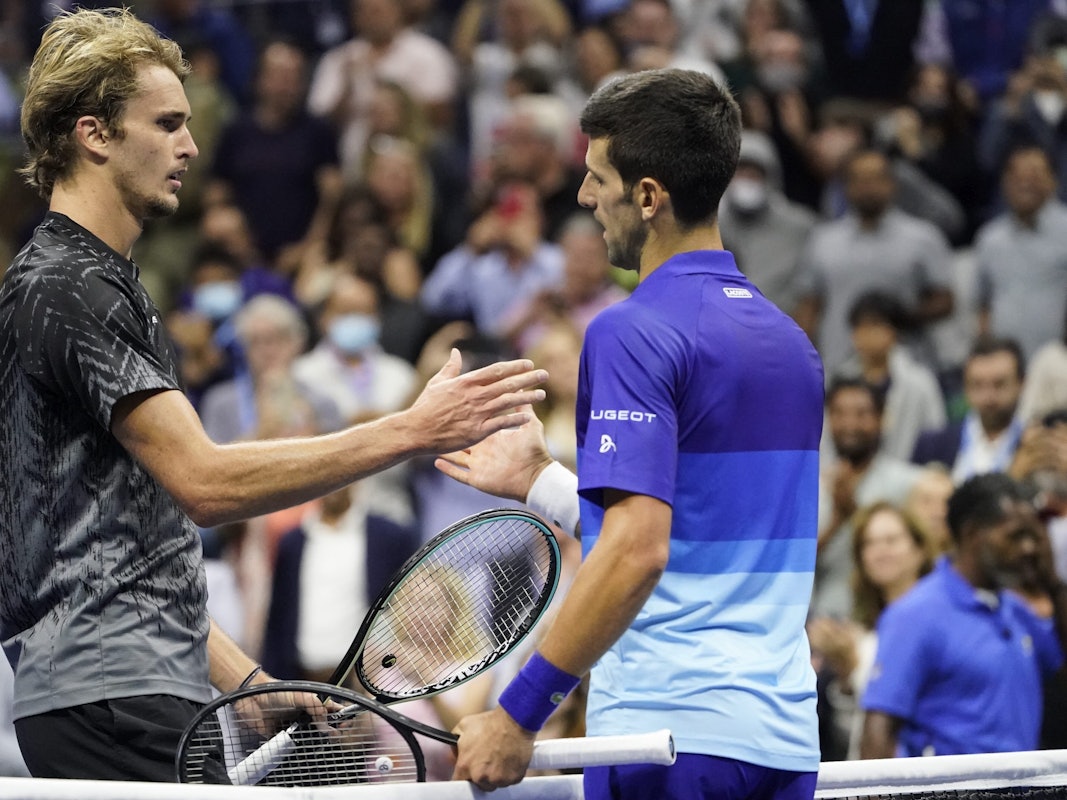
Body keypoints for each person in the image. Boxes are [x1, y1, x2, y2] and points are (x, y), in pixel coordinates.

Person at [0, 8, 547, 781]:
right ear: (94, 133)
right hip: (115, 692)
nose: (190, 145)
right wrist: (409, 431)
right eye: (166, 123)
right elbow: (205, 484)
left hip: (122, 686)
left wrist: (246, 684)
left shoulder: (84, 279)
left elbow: (137, 539)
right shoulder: (69, 284)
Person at [437, 68, 825, 799]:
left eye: (596, 178)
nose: (584, 198)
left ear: (647, 197)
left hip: (663, 741)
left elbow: (638, 550)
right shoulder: (791, 344)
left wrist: (517, 714)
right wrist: (538, 481)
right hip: (780, 746)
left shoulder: (630, 331)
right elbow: (698, 529)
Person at [860, 473, 1067, 758]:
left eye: (1033, 536)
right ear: (972, 534)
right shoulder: (915, 614)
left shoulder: (1015, 609)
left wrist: (1054, 586)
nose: (1029, 548)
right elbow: (879, 730)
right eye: (1016, 536)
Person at [812, 378, 924, 620]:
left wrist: (853, 511)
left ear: (882, 418)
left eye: (862, 414)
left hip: (890, 615)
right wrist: (836, 521)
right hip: (824, 617)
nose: (849, 424)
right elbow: (794, 564)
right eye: (839, 413)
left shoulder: (909, 482)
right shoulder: (809, 486)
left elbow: (926, 550)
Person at [912, 337, 1027, 485]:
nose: (988, 397)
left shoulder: (1036, 447)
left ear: (1022, 384)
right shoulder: (932, 446)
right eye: (977, 385)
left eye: (999, 385)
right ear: (965, 388)